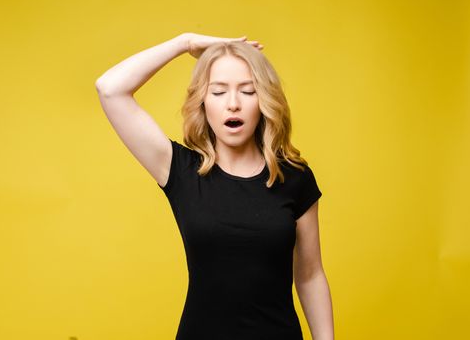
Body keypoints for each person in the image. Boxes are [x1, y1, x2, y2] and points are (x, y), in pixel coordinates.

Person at [95, 33, 334, 340]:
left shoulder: (295, 178)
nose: (233, 104)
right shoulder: (181, 170)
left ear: (264, 101)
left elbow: (310, 275)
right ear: (203, 102)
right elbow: (110, 89)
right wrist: (184, 43)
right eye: (219, 92)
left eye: (248, 91)